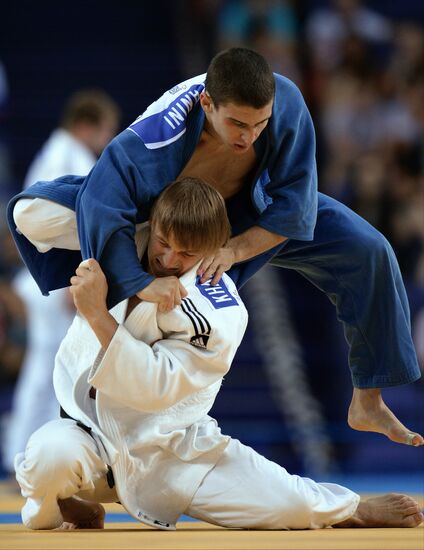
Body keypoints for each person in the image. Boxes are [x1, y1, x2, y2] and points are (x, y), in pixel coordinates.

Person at [7, 48, 423, 447]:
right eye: (238, 124)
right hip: (159, 218)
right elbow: (102, 201)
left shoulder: (285, 103)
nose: (249, 136)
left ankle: (368, 398)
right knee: (33, 213)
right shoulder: (151, 139)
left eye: (259, 125)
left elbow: (296, 207)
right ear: (207, 103)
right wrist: (139, 282)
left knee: (369, 248)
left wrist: (235, 250)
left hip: (246, 212)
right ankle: (133, 253)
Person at [14, 178, 423, 531]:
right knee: (47, 458)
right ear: (152, 222)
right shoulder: (118, 239)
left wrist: (97, 316)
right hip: (88, 435)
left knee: (288, 505)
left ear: (213, 251)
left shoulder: (220, 308)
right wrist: (118, 191)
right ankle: (70, 503)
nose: (169, 260)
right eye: (163, 242)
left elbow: (155, 387)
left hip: (174, 453)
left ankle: (352, 509)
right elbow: (30, 214)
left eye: (187, 254)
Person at [2, 90, 120, 474]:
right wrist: (74, 281)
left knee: (48, 370)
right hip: (58, 280)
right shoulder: (70, 154)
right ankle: (23, 457)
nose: (106, 142)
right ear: (86, 126)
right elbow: (75, 221)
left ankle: (24, 456)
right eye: (105, 131)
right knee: (49, 372)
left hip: (50, 277)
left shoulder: (55, 152)